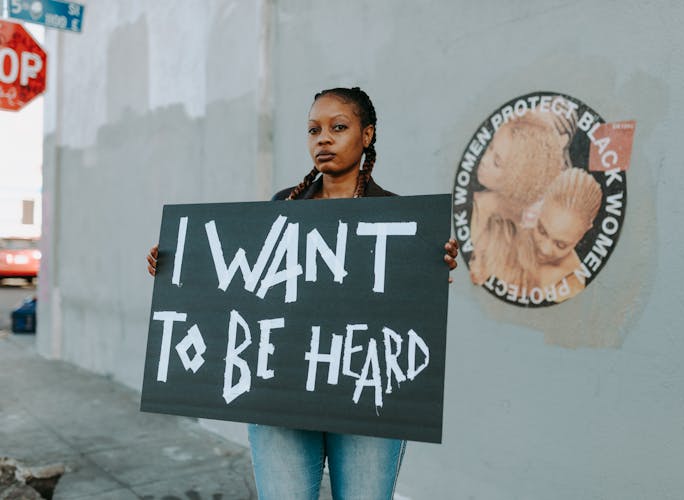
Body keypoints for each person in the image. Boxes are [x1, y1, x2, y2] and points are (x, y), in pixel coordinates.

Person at [147, 87, 458, 499]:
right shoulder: (281, 208)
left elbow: (402, 312)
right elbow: (242, 291)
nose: (323, 138)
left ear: (367, 135)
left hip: (369, 403)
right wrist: (181, 265)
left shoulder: (400, 220)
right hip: (282, 397)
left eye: (338, 127)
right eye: (314, 130)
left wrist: (430, 272)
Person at [469, 105, 577, 285]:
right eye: (489, 148)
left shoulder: (538, 233)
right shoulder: (473, 210)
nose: (484, 160)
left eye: (497, 162)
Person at [493, 168, 602, 302]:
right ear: (540, 204)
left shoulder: (571, 284)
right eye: (541, 230)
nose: (544, 249)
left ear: (585, 232)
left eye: (561, 245)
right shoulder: (506, 230)